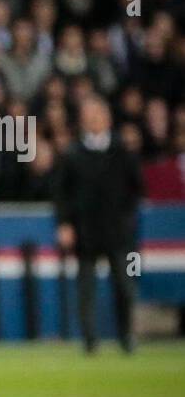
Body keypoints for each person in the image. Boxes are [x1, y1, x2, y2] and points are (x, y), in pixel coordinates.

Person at [55, 96, 142, 353]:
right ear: (82, 120)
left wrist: (126, 217)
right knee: (86, 289)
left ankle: (126, 336)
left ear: (108, 118)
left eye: (98, 114)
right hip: (86, 231)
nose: (93, 120)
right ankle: (90, 340)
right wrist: (65, 224)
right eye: (89, 115)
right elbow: (61, 194)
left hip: (118, 232)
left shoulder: (122, 151)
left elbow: (136, 187)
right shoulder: (72, 154)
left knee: (124, 286)